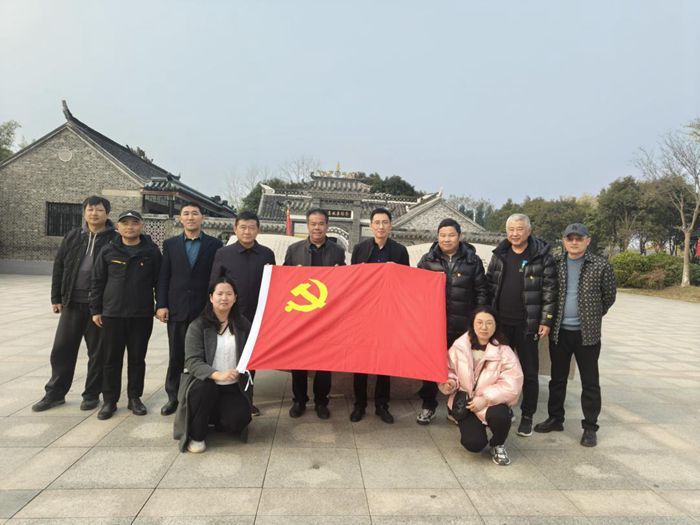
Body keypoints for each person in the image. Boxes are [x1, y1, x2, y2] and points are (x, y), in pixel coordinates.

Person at [534, 223, 616, 447]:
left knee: (590, 382)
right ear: (563, 241)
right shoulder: (555, 263)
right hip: (559, 332)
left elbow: (609, 296)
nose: (574, 242)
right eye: (570, 238)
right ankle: (555, 418)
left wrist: (592, 315)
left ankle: (590, 427)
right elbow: (546, 291)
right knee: (557, 379)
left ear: (587, 241)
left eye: (579, 238)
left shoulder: (600, 265)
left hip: (587, 334)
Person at [32, 196, 116, 412]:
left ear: (107, 213)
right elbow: (59, 266)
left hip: (98, 307)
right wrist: (56, 298)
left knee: (97, 353)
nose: (94, 213)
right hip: (72, 302)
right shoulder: (73, 236)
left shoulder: (114, 239)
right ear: (84, 212)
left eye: (99, 210)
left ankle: (91, 394)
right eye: (90, 209)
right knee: (62, 349)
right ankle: (55, 393)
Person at [486, 213, 557, 437]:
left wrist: (546, 320)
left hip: (527, 324)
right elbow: (490, 285)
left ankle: (527, 415)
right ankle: (504, 408)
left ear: (529, 231)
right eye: (511, 229)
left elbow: (550, 291)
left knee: (529, 372)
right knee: (499, 369)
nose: (515, 234)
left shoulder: (541, 256)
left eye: (519, 229)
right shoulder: (500, 254)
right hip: (501, 324)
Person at [415, 218, 489, 425]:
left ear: (460, 236)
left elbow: (482, 292)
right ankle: (428, 406)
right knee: (430, 366)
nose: (446, 239)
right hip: (434, 325)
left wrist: (477, 322)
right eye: (442, 235)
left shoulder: (472, 261)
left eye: (451, 235)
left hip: (463, 325)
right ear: (437, 237)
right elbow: (416, 290)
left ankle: (454, 408)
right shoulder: (428, 260)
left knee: (461, 368)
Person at [91, 210, 162, 420]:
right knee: (110, 359)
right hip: (112, 314)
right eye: (125, 223)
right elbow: (97, 281)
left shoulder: (151, 251)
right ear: (118, 227)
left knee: (137, 358)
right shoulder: (108, 250)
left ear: (141, 226)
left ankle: (134, 398)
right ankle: (109, 400)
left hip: (141, 315)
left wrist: (161, 305)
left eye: (134, 223)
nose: (130, 227)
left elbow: (160, 281)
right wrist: (95, 309)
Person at [155, 202, 223, 416]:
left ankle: (202, 395)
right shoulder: (170, 244)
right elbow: (164, 276)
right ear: (180, 218)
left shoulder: (214, 245)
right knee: (176, 354)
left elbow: (218, 277)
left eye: (195, 213)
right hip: (177, 308)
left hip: (204, 309)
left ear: (202, 218)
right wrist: (161, 304)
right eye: (186, 213)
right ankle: (173, 397)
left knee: (205, 354)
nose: (191, 217)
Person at [173, 277, 252, 453]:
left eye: (229, 294)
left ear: (235, 298)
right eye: (220, 293)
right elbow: (192, 361)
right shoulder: (198, 325)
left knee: (238, 420)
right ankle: (197, 435)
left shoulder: (242, 324)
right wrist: (218, 374)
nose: (224, 298)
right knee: (204, 388)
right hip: (204, 383)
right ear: (211, 297)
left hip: (232, 386)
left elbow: (253, 351)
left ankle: (213, 417)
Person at [209, 211, 275, 416]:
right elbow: (214, 284)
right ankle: (220, 399)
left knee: (249, 360)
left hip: (257, 316)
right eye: (243, 227)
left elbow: (274, 284)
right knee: (226, 355)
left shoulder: (266, 254)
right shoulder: (223, 253)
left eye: (252, 228)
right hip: (229, 315)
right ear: (235, 229)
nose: (247, 232)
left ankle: (247, 400)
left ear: (258, 230)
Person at [438, 306, 523, 465]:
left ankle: (498, 444)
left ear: (496, 325)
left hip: (491, 403)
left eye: (489, 323)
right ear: (472, 324)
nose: (484, 327)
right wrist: (450, 383)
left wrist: (485, 399)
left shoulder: (504, 351)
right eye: (480, 322)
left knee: (501, 416)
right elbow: (450, 370)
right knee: (474, 444)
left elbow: (513, 383)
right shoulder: (459, 346)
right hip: (467, 403)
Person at [284, 208, 346, 419]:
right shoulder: (294, 250)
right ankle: (299, 400)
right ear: (307, 225)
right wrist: (292, 274)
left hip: (327, 317)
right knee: (298, 361)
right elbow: (283, 281)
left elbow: (345, 281)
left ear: (327, 226)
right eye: (313, 224)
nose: (317, 227)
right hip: (301, 315)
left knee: (324, 362)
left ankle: (321, 401)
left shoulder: (337, 251)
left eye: (320, 223)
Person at [349, 207, 410, 424]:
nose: (381, 226)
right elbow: (351, 280)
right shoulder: (360, 249)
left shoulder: (400, 251)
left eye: (385, 222)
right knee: (361, 361)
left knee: (385, 361)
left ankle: (382, 405)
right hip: (363, 313)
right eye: (377, 222)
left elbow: (407, 283)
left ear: (390, 225)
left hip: (388, 313)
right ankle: (359, 404)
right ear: (371, 225)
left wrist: (396, 273)